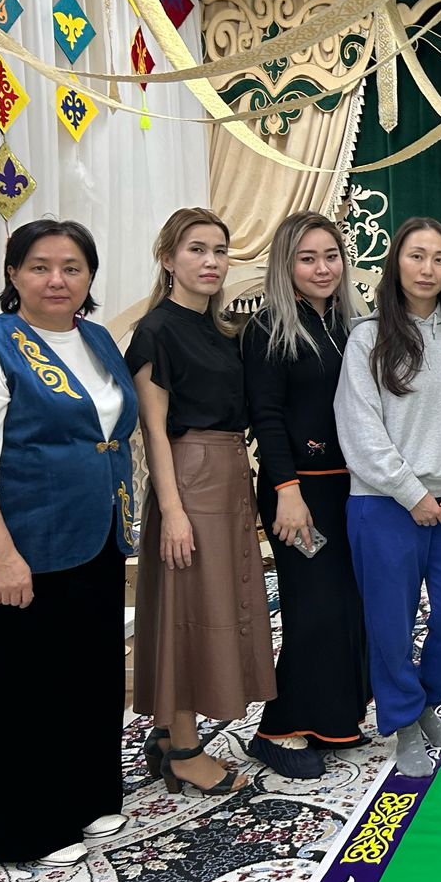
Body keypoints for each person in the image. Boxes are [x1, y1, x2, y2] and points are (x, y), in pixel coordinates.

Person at [0, 220, 135, 865]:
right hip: (19, 548)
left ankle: (88, 797)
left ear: (89, 276)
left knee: (89, 675)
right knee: (24, 692)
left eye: (72, 267)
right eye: (40, 266)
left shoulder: (96, 338)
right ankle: (31, 830)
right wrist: (2, 556)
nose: (57, 280)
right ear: (13, 274)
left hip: (94, 537)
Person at [127, 207, 274, 796]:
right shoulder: (155, 331)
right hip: (188, 479)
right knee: (189, 611)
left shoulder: (222, 329)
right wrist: (173, 511)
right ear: (168, 259)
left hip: (229, 474)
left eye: (219, 250)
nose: (211, 261)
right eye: (196, 249)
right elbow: (153, 431)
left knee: (215, 603)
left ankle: (168, 734)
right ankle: (186, 751)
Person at [336, 217, 441, 778]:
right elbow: (360, 428)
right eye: (416, 256)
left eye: (439, 259)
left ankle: (424, 701)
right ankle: (403, 723)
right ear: (395, 262)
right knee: (390, 623)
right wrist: (410, 493)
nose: (428, 269)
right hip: (383, 505)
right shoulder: (368, 338)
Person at [241, 213, 369, 778]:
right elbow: (267, 418)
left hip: (351, 487)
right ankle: (279, 729)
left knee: (347, 605)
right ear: (285, 265)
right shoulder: (268, 328)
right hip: (298, 491)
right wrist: (287, 492)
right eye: (308, 258)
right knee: (312, 608)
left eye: (330, 256)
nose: (322, 268)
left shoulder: (349, 324)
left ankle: (334, 721)